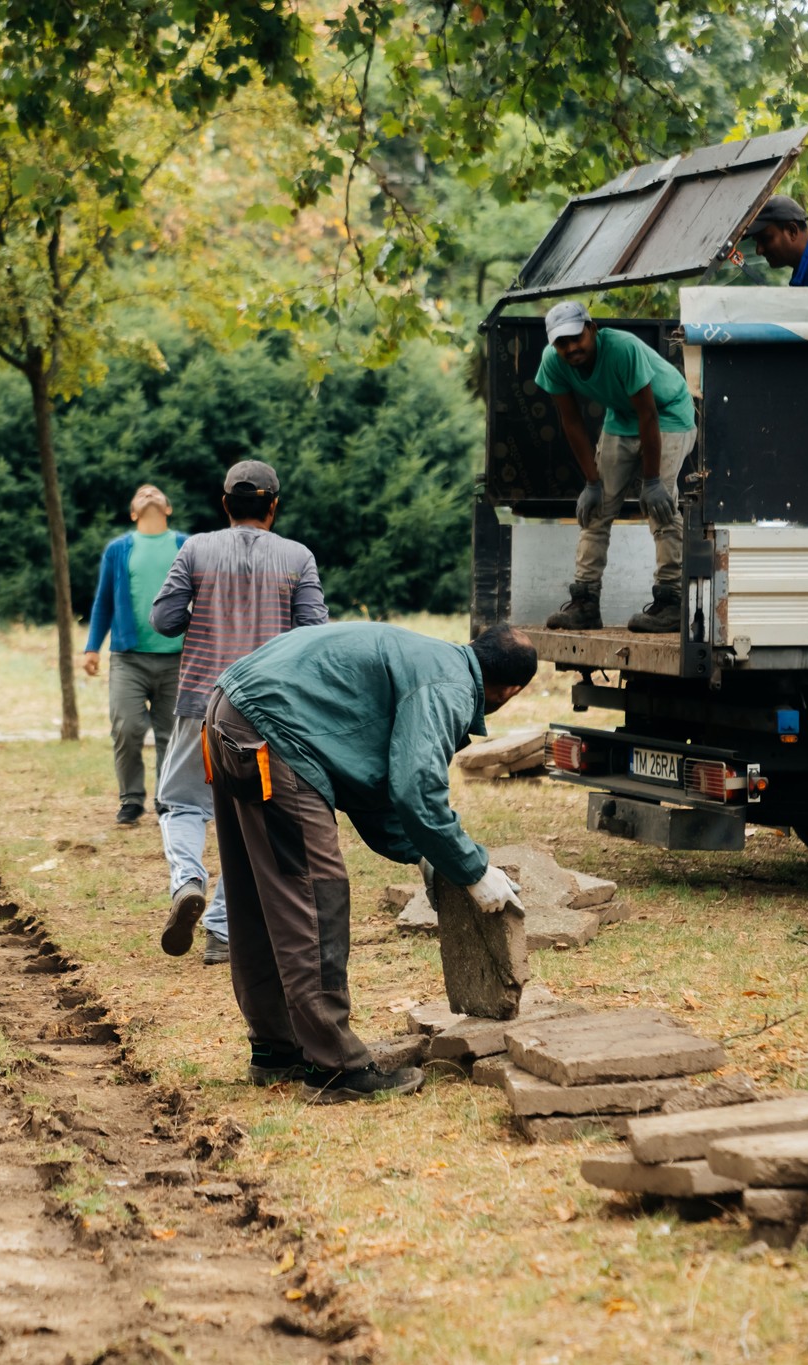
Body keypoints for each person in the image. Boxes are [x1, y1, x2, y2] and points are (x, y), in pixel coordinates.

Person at [204, 621, 539, 1102]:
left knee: (262, 894)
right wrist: (474, 870)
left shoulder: (427, 658)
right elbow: (415, 789)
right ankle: (335, 1070)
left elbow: (370, 783)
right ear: (510, 690)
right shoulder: (448, 685)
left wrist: (425, 853)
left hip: (230, 713)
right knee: (315, 897)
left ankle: (277, 1049)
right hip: (273, 732)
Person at [150, 459, 327, 966]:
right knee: (252, 817)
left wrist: (204, 608)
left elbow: (164, 620)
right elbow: (314, 633)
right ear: (274, 507)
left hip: (201, 702)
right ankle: (221, 931)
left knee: (181, 804)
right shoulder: (297, 557)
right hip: (267, 712)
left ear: (225, 504)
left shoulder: (195, 549)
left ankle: (187, 881)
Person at [538, 301, 698, 635]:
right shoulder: (552, 362)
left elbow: (648, 414)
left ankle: (671, 601)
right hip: (622, 415)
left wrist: (652, 481)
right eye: (562, 342)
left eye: (576, 338)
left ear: (592, 329)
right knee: (596, 509)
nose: (571, 348)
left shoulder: (623, 349)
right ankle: (585, 602)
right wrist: (591, 482)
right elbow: (572, 422)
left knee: (661, 507)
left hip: (668, 411)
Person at [83, 485, 187, 826]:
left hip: (177, 658)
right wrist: (92, 648)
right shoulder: (118, 549)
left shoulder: (186, 546)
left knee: (171, 734)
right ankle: (130, 799)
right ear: (132, 513)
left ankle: (166, 799)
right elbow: (103, 602)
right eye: (141, 493)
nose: (149, 493)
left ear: (168, 508)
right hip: (128, 658)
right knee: (126, 727)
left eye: (155, 492)